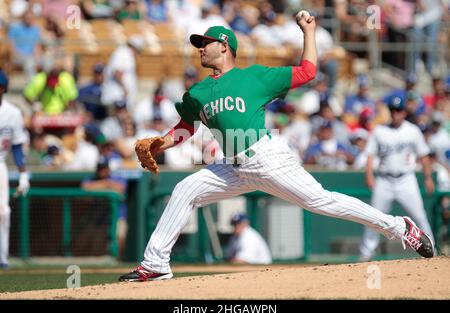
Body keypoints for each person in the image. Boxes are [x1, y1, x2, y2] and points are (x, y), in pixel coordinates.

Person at [119, 18, 436, 282]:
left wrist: (309, 33)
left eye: (205, 42)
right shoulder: (198, 91)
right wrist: (160, 143)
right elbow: (186, 127)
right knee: (185, 190)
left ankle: (399, 226)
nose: (200, 47)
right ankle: (156, 263)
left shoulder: (255, 76)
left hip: (266, 158)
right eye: (198, 43)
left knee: (320, 201)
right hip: (232, 166)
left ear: (225, 45)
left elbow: (308, 72)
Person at [358, 96, 436, 261]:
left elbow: (424, 156)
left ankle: (432, 250)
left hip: (406, 179)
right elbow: (370, 155)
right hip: (384, 180)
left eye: (399, 110)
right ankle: (366, 253)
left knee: (420, 216)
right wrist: (369, 175)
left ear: (404, 112)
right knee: (373, 217)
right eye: (393, 110)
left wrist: (428, 178)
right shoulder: (380, 131)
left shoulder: (413, 130)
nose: (395, 114)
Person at [0, 70, 30, 269]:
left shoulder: (12, 113)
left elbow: (18, 147)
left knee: (3, 212)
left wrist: (23, 174)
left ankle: (2, 259)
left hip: (0, 163)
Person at [82, 159, 128, 260]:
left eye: (105, 169)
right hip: (98, 219)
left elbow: (120, 189)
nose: (103, 171)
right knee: (95, 244)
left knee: (120, 236)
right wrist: (106, 184)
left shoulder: (118, 178)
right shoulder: (91, 179)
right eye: (101, 169)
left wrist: (101, 185)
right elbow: (85, 188)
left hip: (117, 216)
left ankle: (118, 260)